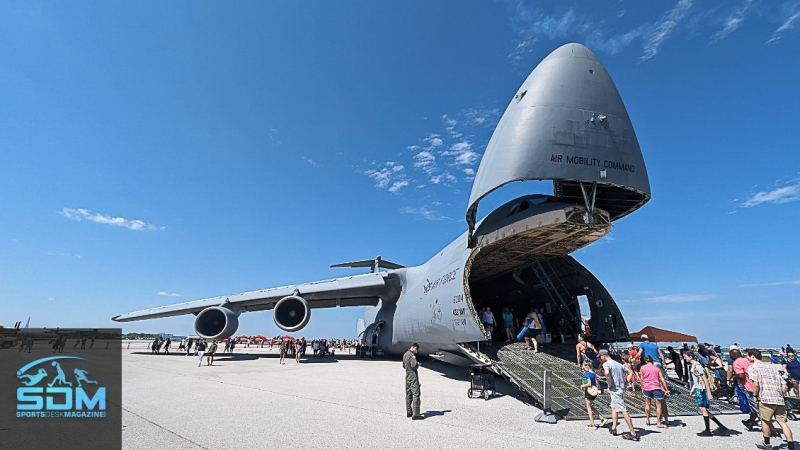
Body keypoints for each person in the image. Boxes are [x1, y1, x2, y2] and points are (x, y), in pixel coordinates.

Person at [748, 348, 796, 450]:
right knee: (782, 422)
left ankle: (767, 443)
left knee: (765, 420)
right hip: (778, 399)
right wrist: (779, 393)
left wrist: (755, 396)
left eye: (748, 356)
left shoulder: (753, 367)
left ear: (753, 356)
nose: (747, 358)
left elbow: (756, 384)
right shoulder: (771, 368)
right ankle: (791, 445)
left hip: (765, 398)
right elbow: (784, 386)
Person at [684, 350, 730, 437]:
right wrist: (693, 388)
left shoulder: (698, 366)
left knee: (703, 408)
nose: (685, 358)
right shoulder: (694, 366)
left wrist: (709, 393)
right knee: (703, 409)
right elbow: (697, 379)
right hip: (698, 388)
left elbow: (705, 380)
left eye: (686, 356)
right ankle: (721, 426)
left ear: (690, 357)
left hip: (702, 389)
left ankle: (708, 430)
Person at [597, 350, 639, 440]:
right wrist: (626, 381)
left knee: (623, 410)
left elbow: (607, 373)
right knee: (613, 407)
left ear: (603, 356)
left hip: (615, 389)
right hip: (621, 389)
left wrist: (609, 383)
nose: (600, 359)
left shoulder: (606, 364)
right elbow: (631, 372)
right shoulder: (618, 364)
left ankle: (633, 433)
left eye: (600, 357)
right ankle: (614, 428)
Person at [729, 348, 759, 430]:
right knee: (754, 406)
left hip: (748, 386)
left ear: (733, 355)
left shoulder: (736, 363)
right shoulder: (746, 360)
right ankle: (751, 422)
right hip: (755, 384)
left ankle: (770, 428)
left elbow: (741, 375)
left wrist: (733, 378)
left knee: (755, 406)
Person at [641, 356, 670, 428]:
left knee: (647, 404)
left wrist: (642, 387)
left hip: (647, 387)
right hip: (656, 387)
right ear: (652, 361)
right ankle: (658, 422)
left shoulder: (642, 368)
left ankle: (647, 420)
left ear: (646, 361)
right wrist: (666, 389)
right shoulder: (657, 368)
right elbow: (662, 379)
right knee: (658, 406)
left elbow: (642, 379)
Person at [580, 360, 606, 428]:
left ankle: (592, 423)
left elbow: (589, 384)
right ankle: (602, 418)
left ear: (587, 367)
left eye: (583, 366)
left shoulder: (587, 374)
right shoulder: (594, 374)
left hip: (589, 391)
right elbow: (596, 383)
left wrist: (582, 386)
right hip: (594, 391)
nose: (583, 368)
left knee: (588, 407)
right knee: (590, 406)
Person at [403, 343, 423, 420]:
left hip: (407, 375)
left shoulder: (405, 354)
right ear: (414, 347)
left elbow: (404, 365)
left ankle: (409, 412)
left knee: (408, 394)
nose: (417, 351)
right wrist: (418, 364)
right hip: (413, 375)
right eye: (416, 349)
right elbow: (414, 365)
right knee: (416, 394)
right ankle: (416, 414)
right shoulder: (412, 356)